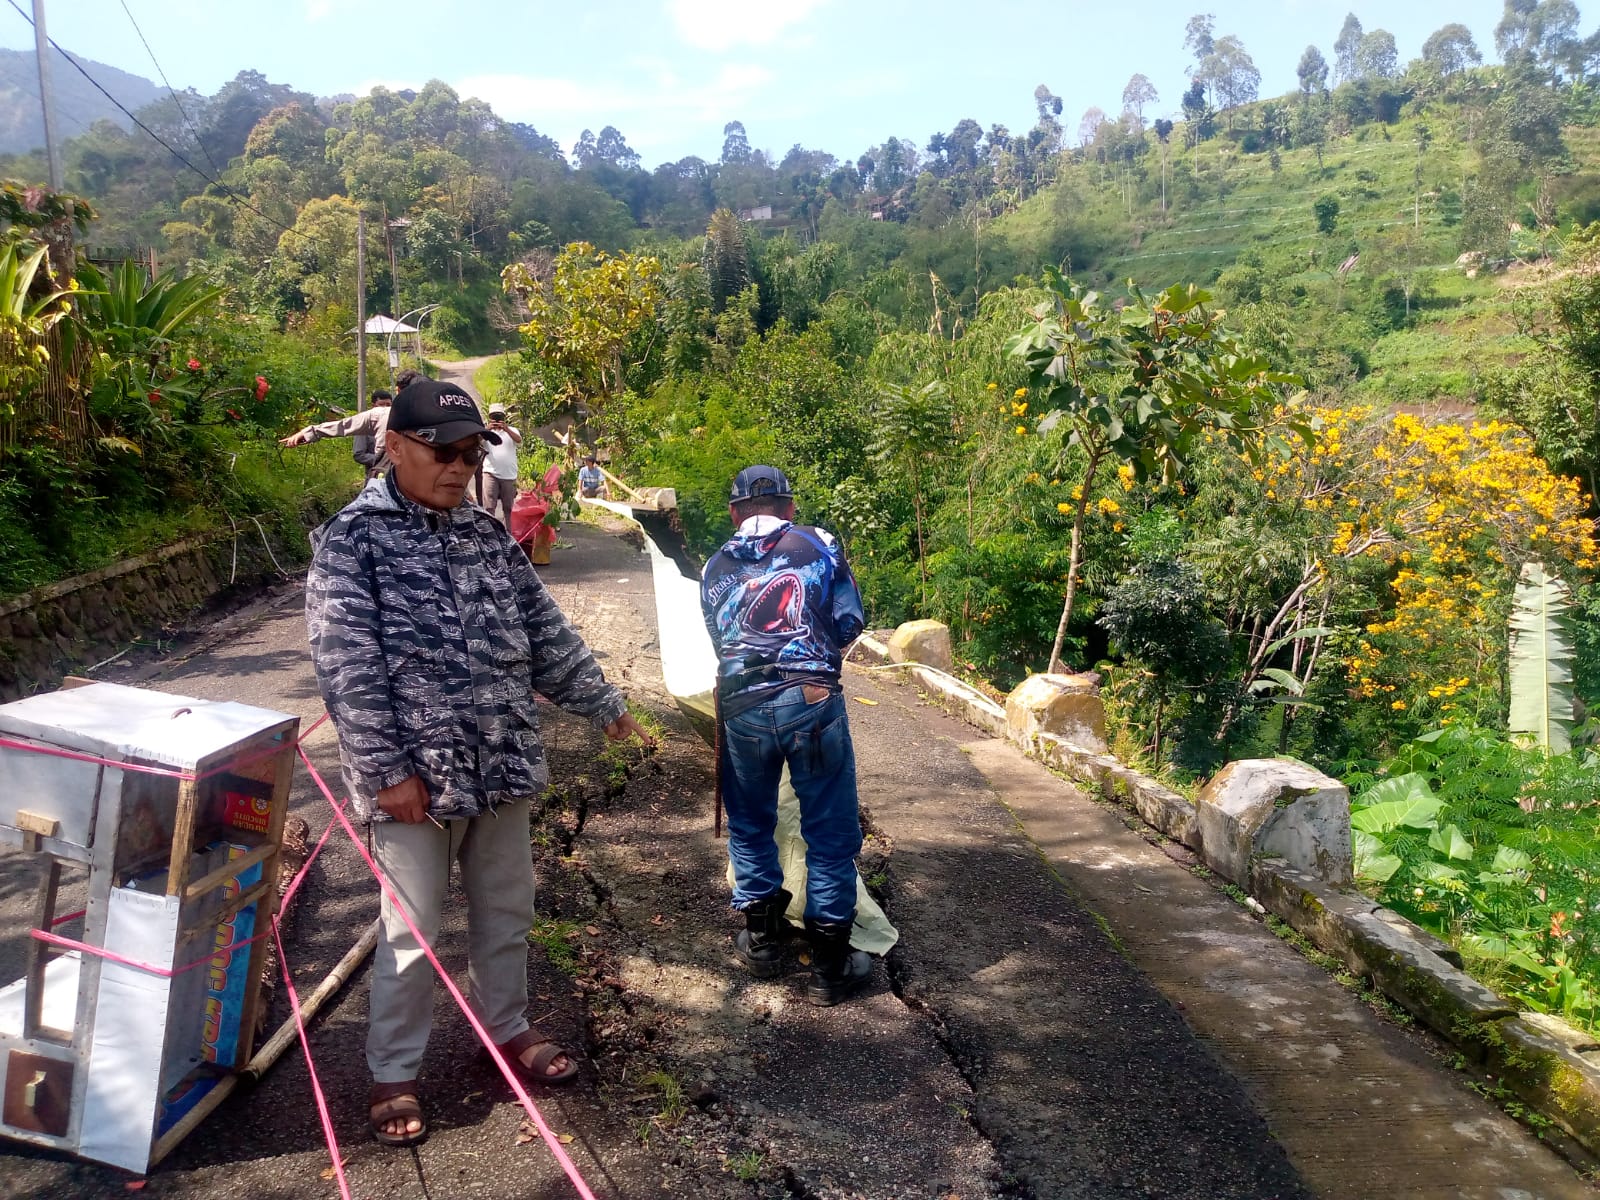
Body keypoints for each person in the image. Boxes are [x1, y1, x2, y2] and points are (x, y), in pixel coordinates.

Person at [304, 376, 655, 1147]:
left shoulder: (487, 535)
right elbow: (346, 668)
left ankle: (506, 1028)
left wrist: (605, 704)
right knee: (413, 931)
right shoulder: (352, 541)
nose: (459, 467)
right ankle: (394, 1071)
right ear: (394, 445)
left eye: (471, 453)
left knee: (508, 913)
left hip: (501, 766)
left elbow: (544, 630)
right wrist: (385, 771)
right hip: (417, 785)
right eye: (442, 451)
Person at [699, 464, 873, 1007]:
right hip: (812, 701)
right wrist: (814, 660)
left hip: (743, 706)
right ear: (789, 508)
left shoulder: (713, 566)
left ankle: (764, 942)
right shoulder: (818, 543)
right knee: (829, 828)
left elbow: (718, 638)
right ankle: (829, 965)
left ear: (734, 513)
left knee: (751, 822)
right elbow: (850, 619)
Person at [280, 388, 394, 478]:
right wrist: (383, 460)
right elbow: (357, 451)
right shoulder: (373, 419)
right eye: (382, 404)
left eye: (388, 405)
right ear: (373, 405)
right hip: (380, 478)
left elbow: (342, 426)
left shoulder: (392, 416)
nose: (385, 408)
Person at [481, 405, 523, 526]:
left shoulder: (512, 430)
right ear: (490, 418)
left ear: (504, 417)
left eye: (499, 417)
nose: (497, 420)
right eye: (494, 417)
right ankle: (490, 534)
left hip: (509, 475)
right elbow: (476, 442)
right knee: (489, 507)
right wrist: (487, 430)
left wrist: (506, 429)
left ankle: (507, 535)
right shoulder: (485, 432)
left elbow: (519, 440)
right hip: (490, 473)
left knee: (508, 508)